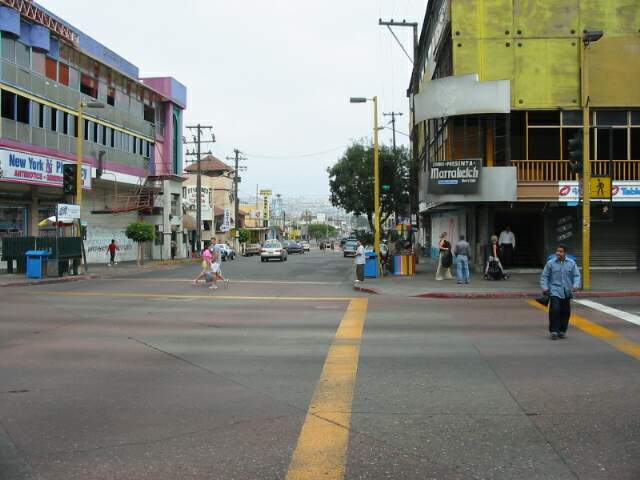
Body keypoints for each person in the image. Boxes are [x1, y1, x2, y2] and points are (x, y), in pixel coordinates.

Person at [540, 244, 581, 340]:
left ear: (565, 253)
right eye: (557, 251)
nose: (558, 253)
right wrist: (545, 287)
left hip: (567, 291)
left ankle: (562, 331)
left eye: (560, 251)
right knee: (555, 309)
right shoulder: (550, 263)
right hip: (554, 290)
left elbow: (576, 275)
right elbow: (544, 276)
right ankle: (554, 331)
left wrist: (575, 285)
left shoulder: (571, 263)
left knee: (566, 311)